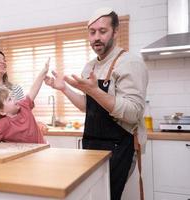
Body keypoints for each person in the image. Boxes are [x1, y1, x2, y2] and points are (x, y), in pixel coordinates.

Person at [44, 7, 148, 200]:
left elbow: (133, 112)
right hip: (92, 144)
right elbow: (87, 106)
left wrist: (94, 90)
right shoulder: (90, 66)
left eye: (103, 31)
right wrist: (64, 89)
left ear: (115, 32)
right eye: (92, 32)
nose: (96, 37)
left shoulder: (129, 63)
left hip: (120, 147)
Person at [0, 58, 50, 148]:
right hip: (21, 155)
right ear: (2, 111)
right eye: (9, 99)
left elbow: (33, 90)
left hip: (40, 148)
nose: (14, 99)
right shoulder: (2, 124)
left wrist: (43, 72)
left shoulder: (24, 105)